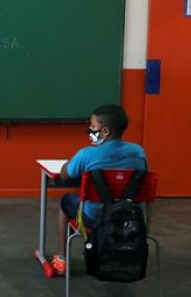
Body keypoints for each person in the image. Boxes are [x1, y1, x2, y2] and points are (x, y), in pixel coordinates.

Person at [51, 104, 147, 276]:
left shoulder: (87, 154)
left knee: (66, 201)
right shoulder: (138, 152)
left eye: (93, 127)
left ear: (105, 132)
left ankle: (62, 259)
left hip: (94, 216)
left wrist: (71, 160)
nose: (89, 130)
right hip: (130, 217)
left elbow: (65, 175)